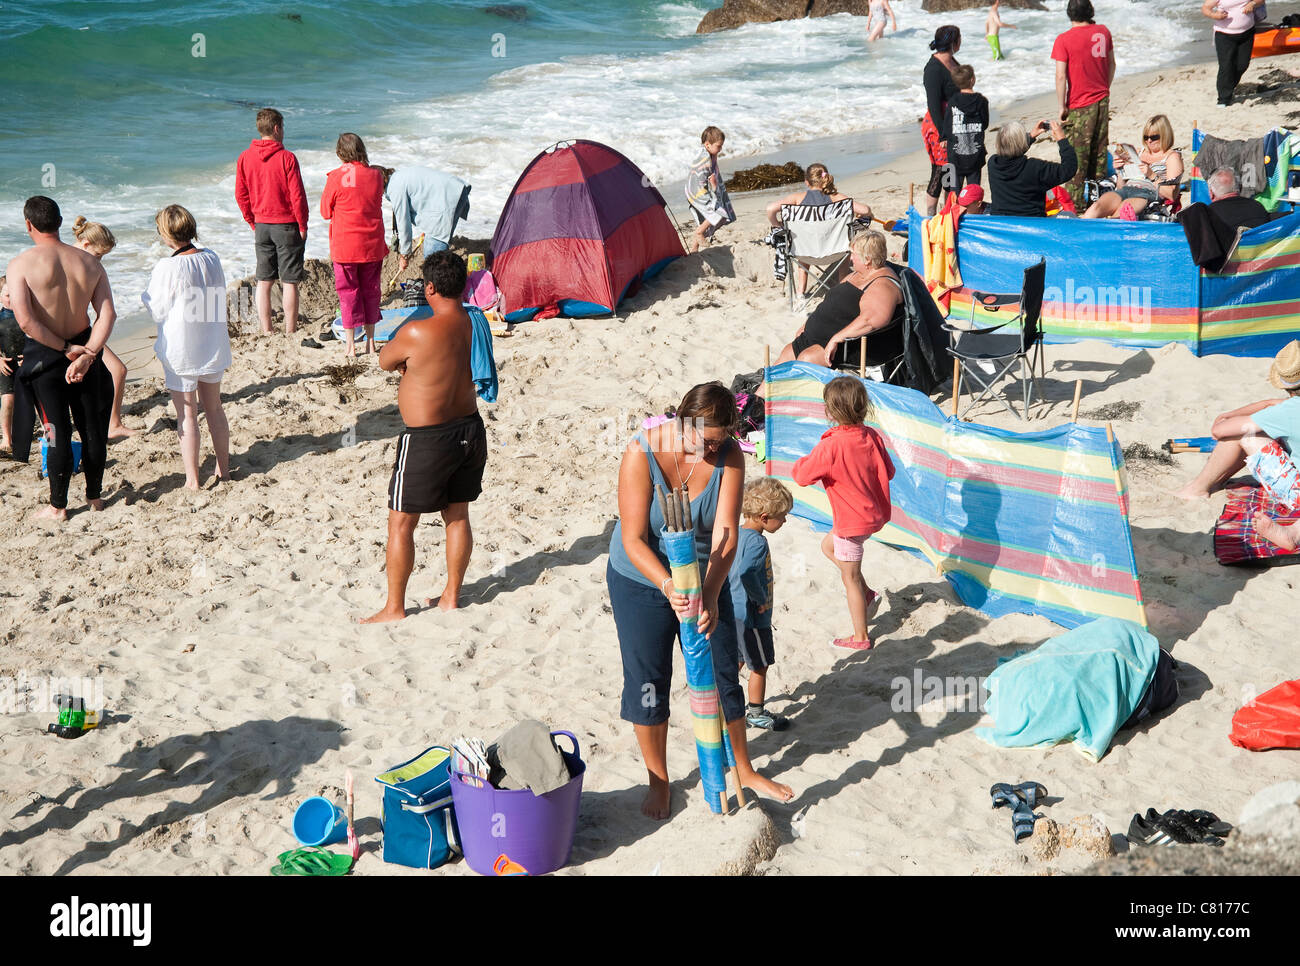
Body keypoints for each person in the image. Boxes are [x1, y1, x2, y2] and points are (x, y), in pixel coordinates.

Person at [608, 382, 794, 818]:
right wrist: (669, 586)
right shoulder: (642, 453)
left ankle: (743, 768)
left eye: (720, 440)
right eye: (705, 441)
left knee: (722, 670)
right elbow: (634, 539)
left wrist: (709, 594)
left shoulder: (730, 455)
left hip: (706, 573)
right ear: (682, 423)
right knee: (649, 679)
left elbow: (727, 533)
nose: (712, 450)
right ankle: (659, 780)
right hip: (640, 577)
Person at [362, 251, 487, 624]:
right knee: (458, 514)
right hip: (470, 430)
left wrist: (408, 363)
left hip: (427, 440)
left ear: (429, 287)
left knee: (401, 523)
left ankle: (394, 607)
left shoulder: (417, 330)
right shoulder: (473, 322)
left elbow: (385, 359)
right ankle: (451, 596)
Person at [6, 196, 116, 520]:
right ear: (59, 221)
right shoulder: (90, 263)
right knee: (92, 429)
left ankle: (59, 506)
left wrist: (65, 348)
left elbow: (26, 321)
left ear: (28, 225)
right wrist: (88, 353)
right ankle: (95, 498)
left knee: (56, 432)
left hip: (47, 356)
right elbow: (107, 314)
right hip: (86, 351)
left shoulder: (21, 264)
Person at [790, 377, 895, 649]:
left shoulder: (831, 446)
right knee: (828, 547)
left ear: (830, 411)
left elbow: (802, 476)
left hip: (851, 524)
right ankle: (867, 592)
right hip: (873, 516)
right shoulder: (872, 436)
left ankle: (861, 636)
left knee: (848, 578)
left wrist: (803, 460)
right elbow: (890, 472)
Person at [142, 205, 232, 491]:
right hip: (212, 342)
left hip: (182, 348)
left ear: (167, 234)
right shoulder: (212, 257)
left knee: (187, 415)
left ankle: (192, 480)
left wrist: (145, 297)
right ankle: (224, 470)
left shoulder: (167, 267)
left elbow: (156, 308)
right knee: (215, 409)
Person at [1175, 340, 1300, 501]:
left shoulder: (1288, 411)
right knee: (1270, 431)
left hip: (1295, 495)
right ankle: (1215, 481)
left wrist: (1228, 417)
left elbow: (1219, 431)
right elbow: (1271, 404)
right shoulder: (1288, 409)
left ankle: (1198, 488)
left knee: (1245, 433)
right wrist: (1262, 405)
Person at [776, 231, 904, 369]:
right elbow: (830, 303)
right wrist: (808, 324)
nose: (851, 259)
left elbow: (870, 321)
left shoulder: (883, 286)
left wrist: (837, 338)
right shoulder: (858, 274)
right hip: (817, 337)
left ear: (867, 259)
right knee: (785, 357)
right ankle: (758, 391)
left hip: (848, 346)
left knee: (806, 360)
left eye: (854, 254)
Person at [235, 107, 308, 335]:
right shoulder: (287, 158)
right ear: (277, 129)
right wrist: (303, 224)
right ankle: (289, 329)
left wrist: (251, 220)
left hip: (262, 225)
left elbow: (241, 194)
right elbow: (297, 195)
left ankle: (266, 330)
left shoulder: (245, 157)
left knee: (264, 281)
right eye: (282, 127)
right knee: (289, 281)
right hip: (286, 225)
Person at [729, 477, 793, 731]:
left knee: (737, 659)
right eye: (782, 516)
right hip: (751, 616)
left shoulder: (735, 534)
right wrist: (760, 599)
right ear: (765, 517)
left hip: (731, 612)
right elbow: (746, 572)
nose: (785, 521)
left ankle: (721, 701)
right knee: (760, 664)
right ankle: (755, 712)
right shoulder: (757, 542)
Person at [321, 133, 388, 357]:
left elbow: (324, 212)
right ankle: (370, 342)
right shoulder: (376, 176)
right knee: (371, 291)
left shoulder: (335, 177)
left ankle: (350, 345)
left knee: (348, 293)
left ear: (340, 153)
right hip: (372, 243)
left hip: (345, 246)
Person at [765, 163, 874, 298]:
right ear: (826, 178)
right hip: (836, 252)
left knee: (802, 242)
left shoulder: (797, 198)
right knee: (846, 245)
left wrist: (778, 226)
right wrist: (863, 215)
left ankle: (800, 293)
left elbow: (770, 209)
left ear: (806, 182)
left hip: (805, 253)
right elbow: (865, 210)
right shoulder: (836, 198)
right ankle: (841, 286)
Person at [70, 218, 134, 438]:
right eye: (99, 255)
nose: (100, 261)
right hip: (67, 337)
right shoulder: (64, 260)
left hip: (87, 334)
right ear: (86, 243)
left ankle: (113, 424)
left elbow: (106, 312)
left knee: (119, 370)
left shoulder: (91, 265)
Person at [1051, 0, 1115, 212]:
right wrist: (1104, 88)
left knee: (1077, 160)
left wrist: (1061, 106)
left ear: (1069, 13)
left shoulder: (1064, 39)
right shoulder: (1103, 31)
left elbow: (1061, 76)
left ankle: (1075, 207)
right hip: (1102, 99)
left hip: (1079, 104)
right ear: (1090, 11)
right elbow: (1111, 64)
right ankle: (1099, 204)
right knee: (1098, 154)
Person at [1082, 115, 1184, 219]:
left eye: (1154, 137)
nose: (1149, 141)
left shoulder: (1172, 157)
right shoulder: (1138, 152)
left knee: (1121, 214)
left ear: (1164, 135)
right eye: (1146, 137)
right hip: (1126, 189)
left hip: (1147, 193)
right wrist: (1120, 171)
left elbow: (1171, 194)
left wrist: (1151, 175)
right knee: (1095, 209)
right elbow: (1121, 186)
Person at [382, 166, 471, 270]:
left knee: (432, 259)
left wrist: (404, 255)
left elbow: (403, 223)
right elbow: (423, 194)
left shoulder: (394, 187)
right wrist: (426, 225)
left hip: (446, 200)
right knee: (439, 250)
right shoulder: (398, 176)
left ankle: (441, 284)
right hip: (457, 190)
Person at [986, 119, 1078, 217]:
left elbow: (1011, 153)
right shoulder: (1034, 168)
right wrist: (1062, 140)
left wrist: (1031, 136)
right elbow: (1068, 169)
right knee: (1069, 215)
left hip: (1002, 222)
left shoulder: (993, 163)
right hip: (1032, 224)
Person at [923, 25, 963, 216]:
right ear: (954, 42)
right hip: (939, 126)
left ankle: (947, 212)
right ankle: (931, 214)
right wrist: (943, 134)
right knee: (940, 172)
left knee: (951, 170)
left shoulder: (952, 61)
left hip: (954, 124)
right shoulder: (933, 69)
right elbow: (933, 105)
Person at [1204, 0, 1267, 107]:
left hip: (1247, 32)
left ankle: (1228, 88)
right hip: (1224, 34)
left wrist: (1252, 4)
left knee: (1243, 65)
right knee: (1226, 66)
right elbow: (1205, 8)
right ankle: (1223, 99)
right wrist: (1214, 15)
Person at [685, 127, 734, 253]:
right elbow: (701, 179)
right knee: (718, 212)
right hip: (698, 192)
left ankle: (695, 247)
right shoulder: (704, 159)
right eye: (718, 146)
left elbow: (714, 170)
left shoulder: (710, 154)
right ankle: (699, 232)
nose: (720, 149)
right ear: (707, 144)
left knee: (714, 218)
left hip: (700, 190)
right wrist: (713, 187)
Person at [942, 64, 990, 191]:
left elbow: (947, 125)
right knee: (973, 192)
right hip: (975, 153)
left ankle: (955, 211)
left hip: (955, 155)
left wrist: (944, 138)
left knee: (954, 194)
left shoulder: (952, 102)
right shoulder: (982, 101)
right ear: (972, 80)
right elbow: (985, 124)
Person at [0, 277, 23, 453]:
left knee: (40, 400)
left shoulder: (27, 316)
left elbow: (38, 337)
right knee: (8, 400)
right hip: (5, 365)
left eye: (14, 294)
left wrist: (30, 355)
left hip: (28, 363)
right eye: (7, 295)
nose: (11, 299)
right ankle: (7, 438)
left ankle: (49, 435)